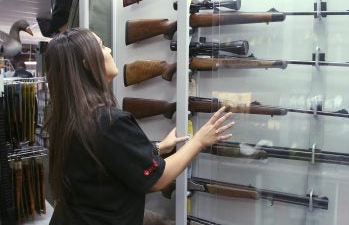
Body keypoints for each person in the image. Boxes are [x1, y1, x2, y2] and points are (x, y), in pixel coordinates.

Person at [44, 28, 235, 225]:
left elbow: (103, 159)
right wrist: (199, 141)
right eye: (101, 46)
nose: (109, 50)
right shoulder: (109, 121)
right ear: (87, 63)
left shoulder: (69, 117)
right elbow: (159, 179)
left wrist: (157, 148)